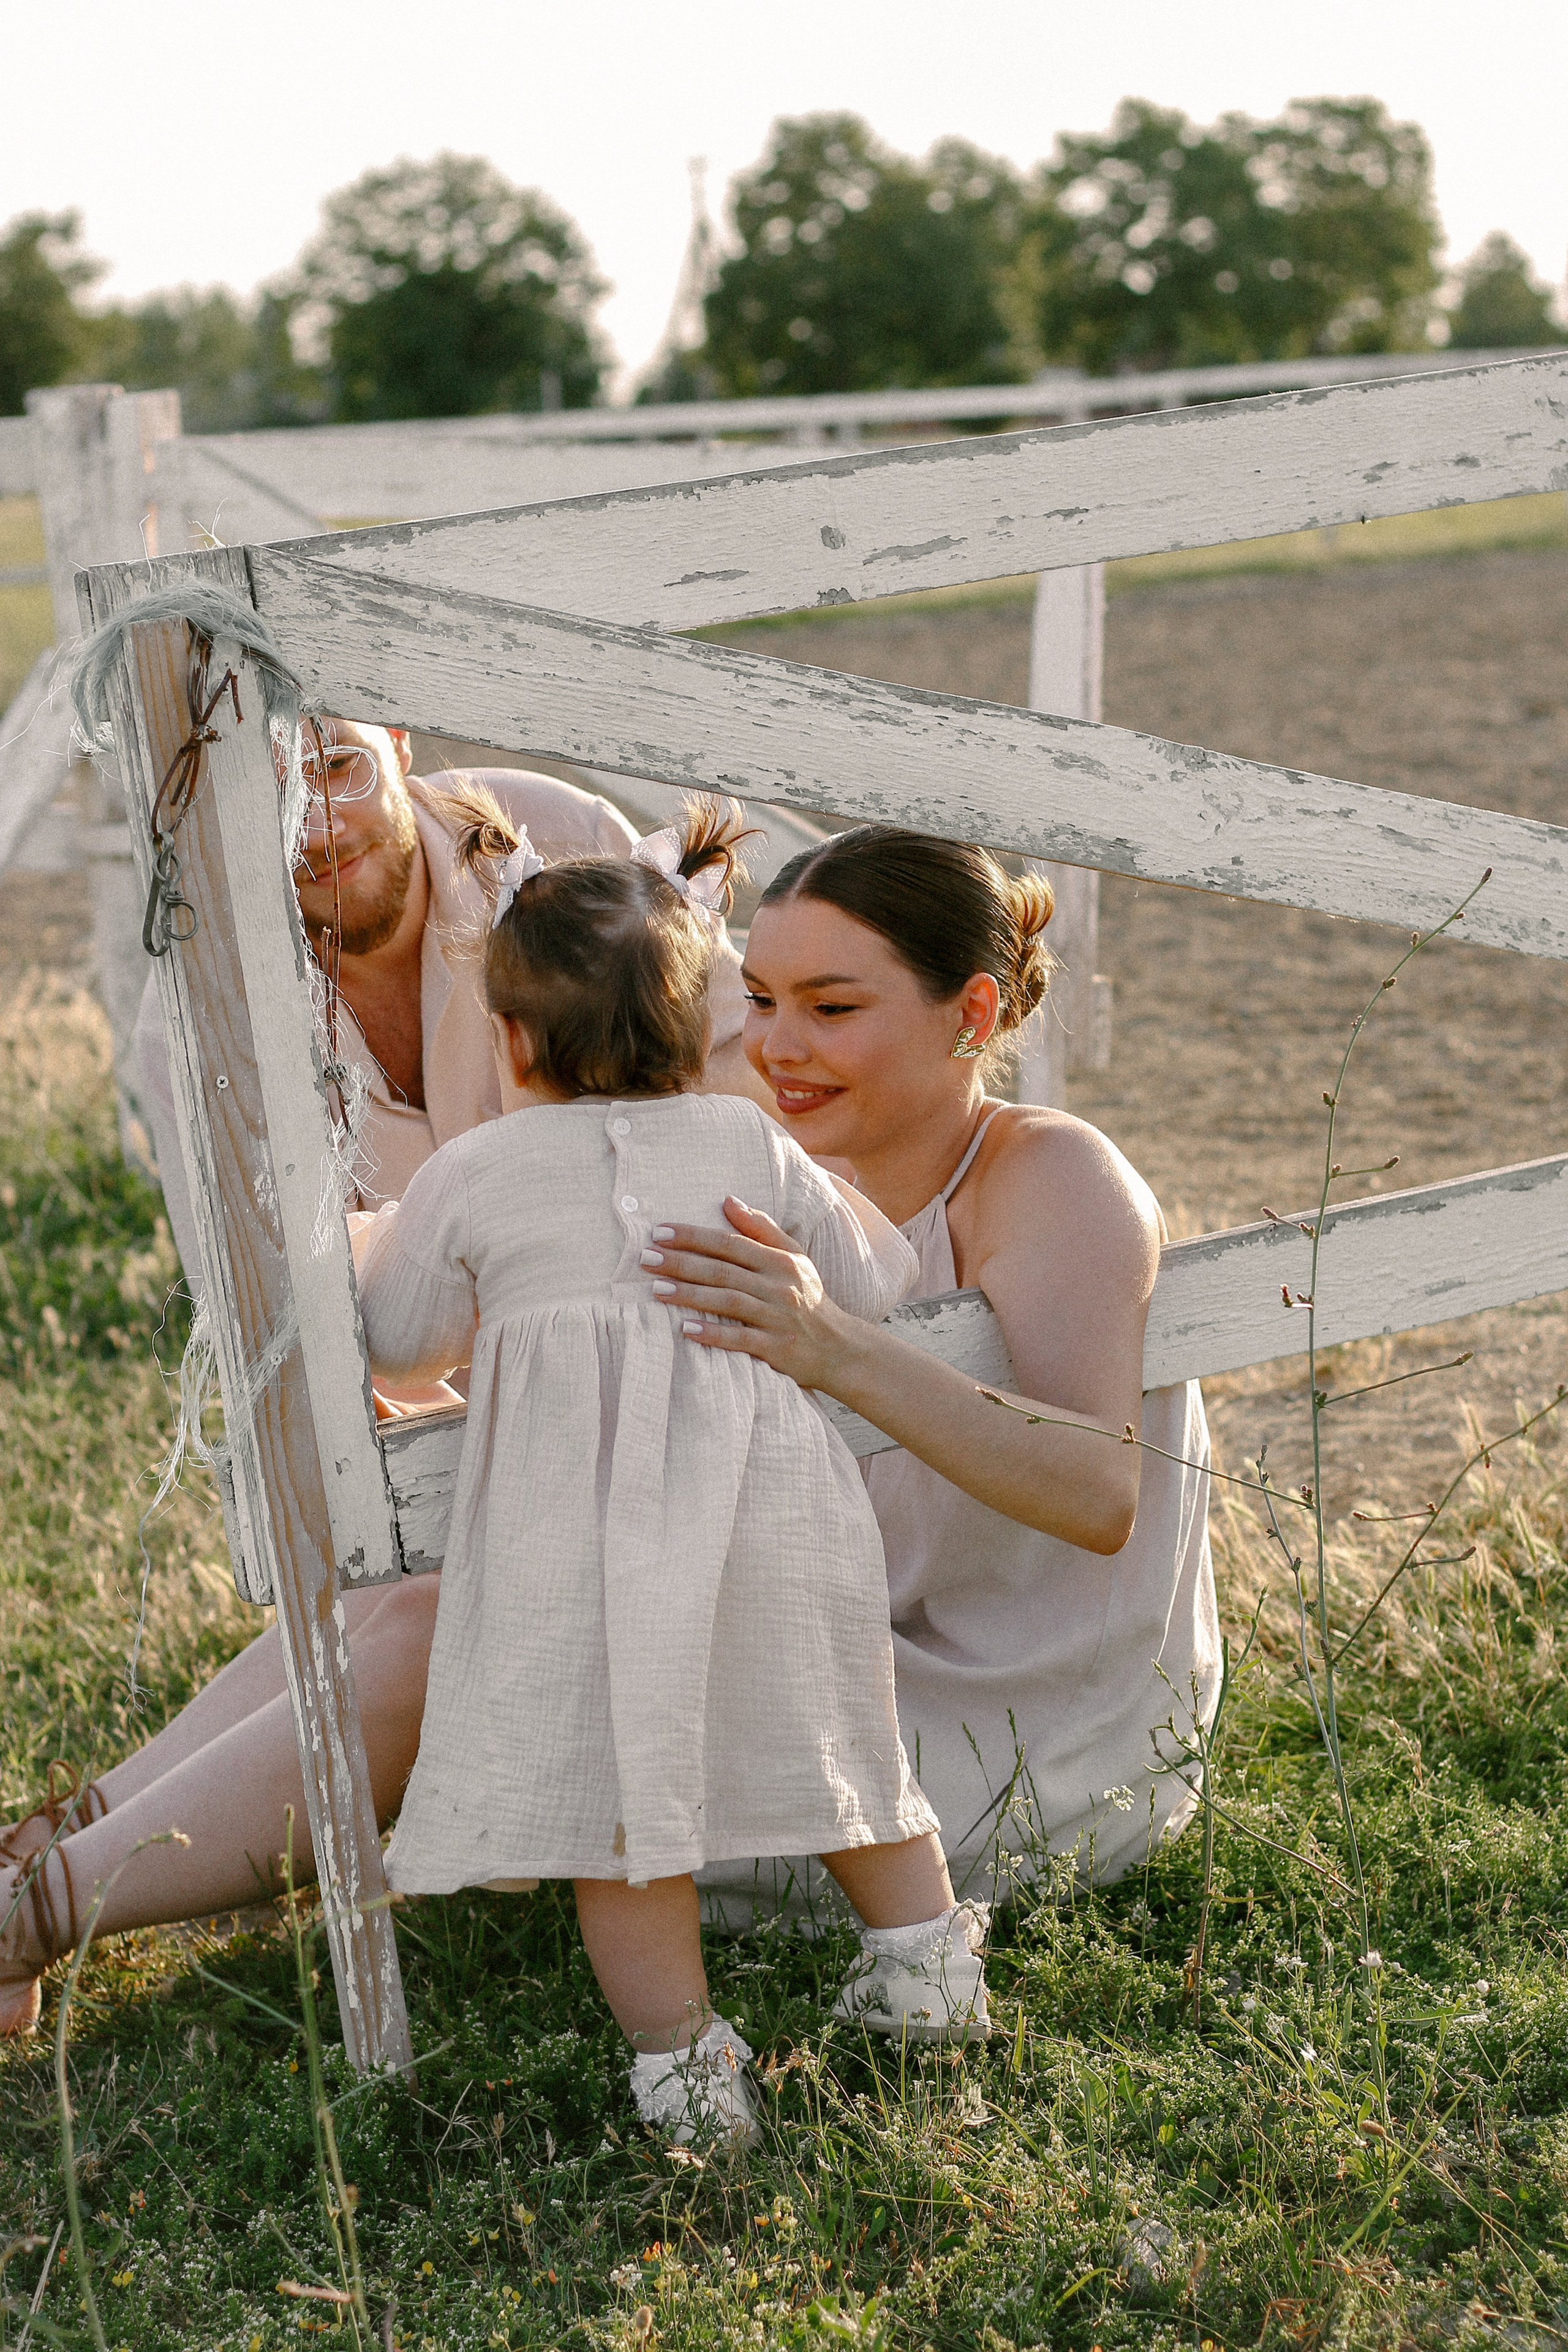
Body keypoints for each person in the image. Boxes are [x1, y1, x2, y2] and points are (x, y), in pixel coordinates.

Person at [1, 821, 1215, 2043]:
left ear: (971, 1010)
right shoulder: (766, 1161)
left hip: (1011, 1739)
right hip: (819, 1648)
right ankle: (47, 1849)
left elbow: (1096, 1493)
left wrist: (827, 1342)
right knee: (431, 1586)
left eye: (832, 1008)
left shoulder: (1053, 1177)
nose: (778, 1045)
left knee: (445, 1635)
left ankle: (32, 1917)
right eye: (761, 998)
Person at [350, 792, 986, 2142]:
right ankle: (929, 1977)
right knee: (841, 1748)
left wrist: (361, 1251)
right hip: (777, 1515)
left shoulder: (473, 1174)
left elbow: (402, 1349)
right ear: (704, 1025)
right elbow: (874, 1279)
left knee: (619, 1809)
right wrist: (800, 1273)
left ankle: (687, 2072)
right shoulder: (745, 1143)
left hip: (573, 1542)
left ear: (510, 1040)